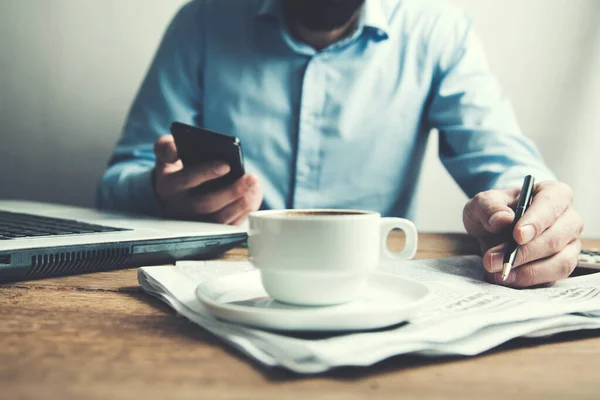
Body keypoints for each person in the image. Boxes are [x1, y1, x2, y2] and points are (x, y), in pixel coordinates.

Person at [98, 0, 583, 288]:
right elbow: (118, 180)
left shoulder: (436, 30)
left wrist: (530, 214)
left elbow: (502, 163)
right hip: (222, 286)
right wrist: (159, 191)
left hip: (375, 287)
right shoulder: (202, 21)